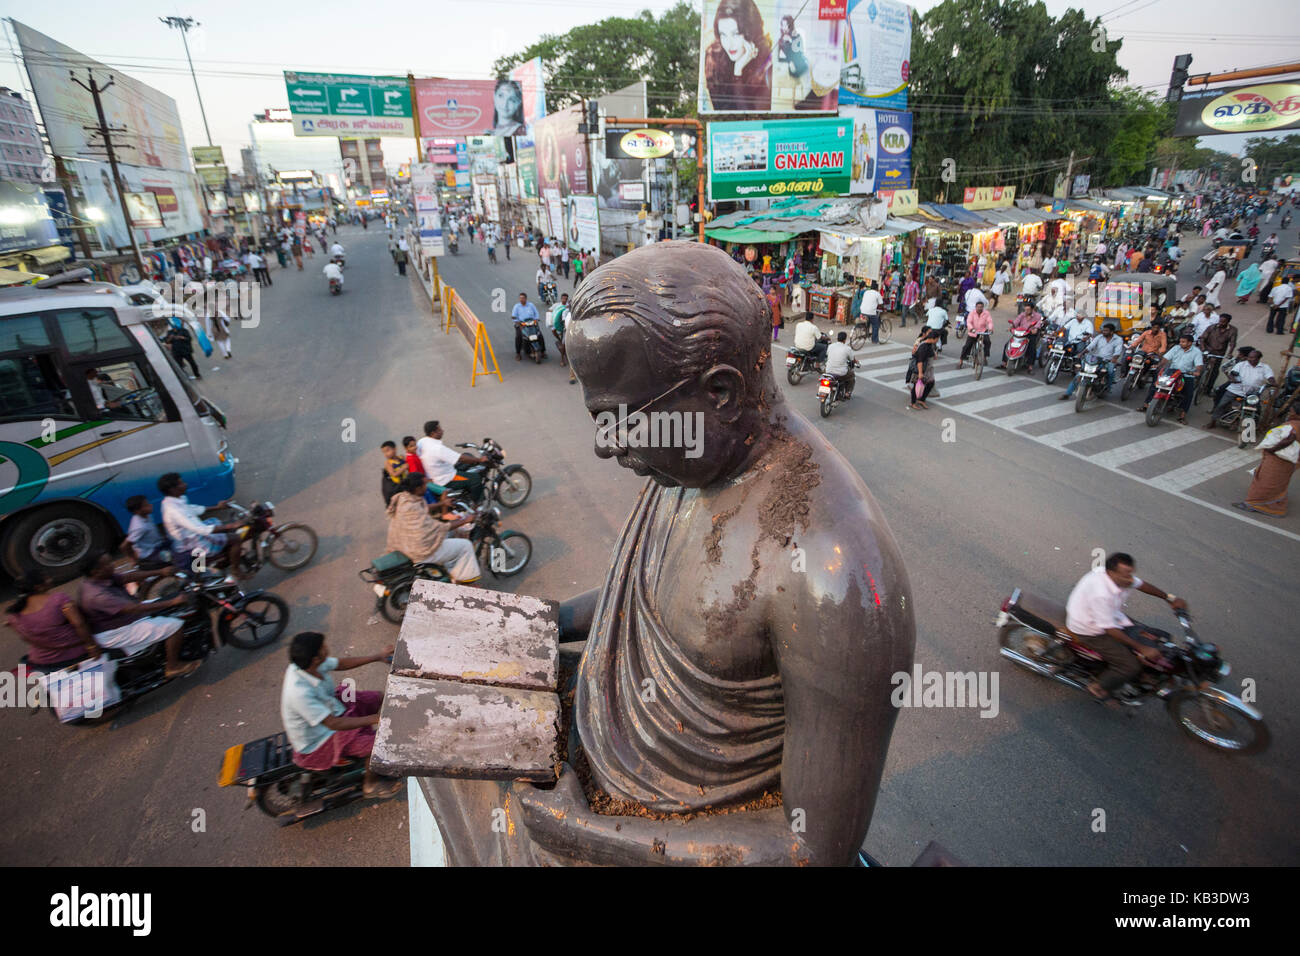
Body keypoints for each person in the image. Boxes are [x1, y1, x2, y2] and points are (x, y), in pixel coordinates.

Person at [280, 631, 402, 798]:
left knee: (376, 698)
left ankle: (366, 750)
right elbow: (333, 724)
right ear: (315, 658)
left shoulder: (309, 664)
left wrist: (377, 656)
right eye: (323, 647)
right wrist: (376, 719)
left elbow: (341, 664)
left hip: (332, 706)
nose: (326, 648)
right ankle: (370, 784)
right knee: (378, 745)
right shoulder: (299, 692)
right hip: (321, 737)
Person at [1065, 553, 1187, 704]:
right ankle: (1098, 686)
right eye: (1126, 575)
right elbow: (1110, 629)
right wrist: (1142, 648)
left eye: (1131, 573)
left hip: (1112, 617)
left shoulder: (1119, 578)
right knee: (1130, 665)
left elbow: (1141, 584)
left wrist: (1170, 599)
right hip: (1089, 629)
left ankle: (1143, 675)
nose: (1130, 579)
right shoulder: (1101, 593)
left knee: (1159, 636)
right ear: (1110, 573)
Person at [77, 551, 196, 678]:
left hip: (123, 617)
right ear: (96, 571)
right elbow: (134, 608)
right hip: (116, 630)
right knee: (174, 626)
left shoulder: (99, 578)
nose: (113, 565)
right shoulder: (96, 596)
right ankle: (173, 666)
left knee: (171, 606)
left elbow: (126, 578)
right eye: (108, 564)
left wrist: (160, 572)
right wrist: (172, 602)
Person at [386, 474, 481, 583]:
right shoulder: (414, 507)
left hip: (405, 546)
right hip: (421, 552)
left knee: (447, 538)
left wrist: (442, 503)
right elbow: (439, 528)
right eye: (425, 485)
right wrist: (465, 520)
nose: (427, 486)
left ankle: (450, 568)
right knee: (465, 545)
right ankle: (465, 582)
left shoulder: (405, 498)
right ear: (418, 489)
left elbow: (423, 507)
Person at [157, 472, 245, 578]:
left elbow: (193, 509)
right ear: (173, 489)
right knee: (235, 538)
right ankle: (236, 570)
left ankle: (226, 556)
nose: (185, 484)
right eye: (181, 483)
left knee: (216, 521)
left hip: (190, 534)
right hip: (191, 542)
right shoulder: (174, 510)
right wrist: (231, 526)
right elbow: (200, 529)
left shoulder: (175, 500)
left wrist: (217, 507)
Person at [703, 0, 772, 112]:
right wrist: (738, 71)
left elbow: (752, 116)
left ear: (751, 32)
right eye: (723, 35)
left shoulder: (766, 63)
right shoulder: (714, 57)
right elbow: (721, 113)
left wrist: (737, 74)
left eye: (736, 34)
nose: (729, 44)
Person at [1236, 408, 1300, 516]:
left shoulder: (1295, 425)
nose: (1290, 412)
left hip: (1279, 460)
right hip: (1288, 461)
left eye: (1292, 411)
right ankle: (1274, 506)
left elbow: (1290, 438)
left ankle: (1254, 504)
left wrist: (1272, 450)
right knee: (1278, 483)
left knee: (1265, 481)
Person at [1138, 333, 1203, 424]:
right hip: (1172, 372)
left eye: (1183, 342)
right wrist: (1159, 365)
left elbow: (1199, 365)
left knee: (1188, 393)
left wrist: (1197, 372)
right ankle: (1146, 405)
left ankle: (1182, 415)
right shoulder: (1176, 348)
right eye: (1180, 341)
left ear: (1190, 343)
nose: (1181, 343)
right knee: (1156, 385)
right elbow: (1166, 358)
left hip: (1186, 374)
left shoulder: (1196, 352)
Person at [1206, 350, 1276, 428]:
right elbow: (1232, 373)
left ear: (1258, 359)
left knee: (1257, 409)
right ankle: (1213, 422)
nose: (1249, 359)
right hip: (1236, 389)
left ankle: (1255, 426)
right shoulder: (1241, 365)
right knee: (1222, 404)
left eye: (1252, 357)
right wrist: (1232, 378)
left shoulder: (1265, 367)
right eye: (1249, 357)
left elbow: (1270, 377)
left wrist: (1272, 382)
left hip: (1253, 392)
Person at [416, 420, 487, 492]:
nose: (442, 431)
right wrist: (480, 460)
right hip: (445, 479)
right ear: (433, 433)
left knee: (466, 457)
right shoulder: (437, 448)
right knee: (475, 478)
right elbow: (461, 458)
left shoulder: (422, 441)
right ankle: (475, 502)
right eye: (439, 429)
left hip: (432, 475)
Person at [1060, 323, 1122, 399]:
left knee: (1110, 371)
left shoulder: (1118, 340)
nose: (1104, 332)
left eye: (1106, 331)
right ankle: (1067, 394)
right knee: (1079, 375)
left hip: (1107, 360)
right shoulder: (1099, 337)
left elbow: (1117, 351)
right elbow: (1090, 346)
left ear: (1112, 332)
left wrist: (1114, 359)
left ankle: (1108, 388)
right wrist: (1081, 353)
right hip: (1094, 358)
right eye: (1103, 330)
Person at [123, 495, 169, 567]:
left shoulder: (147, 515)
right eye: (146, 505)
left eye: (148, 503)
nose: (150, 505)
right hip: (151, 553)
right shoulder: (139, 527)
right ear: (137, 511)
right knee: (175, 558)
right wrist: (133, 559)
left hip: (158, 544)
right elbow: (125, 546)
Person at [1198, 313, 1238, 394]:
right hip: (1207, 350)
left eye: (1223, 322)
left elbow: (1232, 343)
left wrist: (1230, 353)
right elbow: (1202, 338)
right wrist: (1203, 349)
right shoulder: (1211, 327)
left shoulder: (1233, 330)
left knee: (1215, 371)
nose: (1221, 323)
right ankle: (1196, 382)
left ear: (1228, 322)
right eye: (1220, 321)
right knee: (1200, 366)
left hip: (1219, 353)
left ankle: (1208, 389)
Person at [957, 301, 993, 368]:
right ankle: (961, 361)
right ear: (976, 307)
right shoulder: (972, 313)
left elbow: (989, 321)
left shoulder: (986, 313)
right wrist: (971, 328)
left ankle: (984, 357)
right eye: (978, 307)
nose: (980, 308)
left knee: (988, 342)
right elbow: (969, 322)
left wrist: (990, 329)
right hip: (973, 332)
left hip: (983, 331)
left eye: (981, 307)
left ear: (983, 307)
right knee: (967, 346)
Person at [909, 328, 939, 409]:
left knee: (930, 383)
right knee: (916, 385)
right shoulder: (923, 347)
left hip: (928, 369)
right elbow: (920, 361)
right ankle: (913, 402)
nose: (937, 340)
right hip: (921, 369)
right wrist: (920, 373)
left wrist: (934, 354)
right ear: (933, 338)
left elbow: (932, 352)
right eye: (937, 339)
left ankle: (922, 400)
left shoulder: (929, 344)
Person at [551, 292, 576, 384]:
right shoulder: (566, 313)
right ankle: (571, 375)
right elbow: (564, 322)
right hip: (567, 332)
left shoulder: (578, 313)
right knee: (564, 345)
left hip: (578, 334)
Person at [511, 292, 545, 360]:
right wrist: (518, 323)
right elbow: (514, 316)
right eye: (520, 298)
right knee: (519, 337)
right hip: (521, 324)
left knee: (539, 335)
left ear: (526, 299)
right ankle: (518, 353)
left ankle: (543, 351)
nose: (521, 299)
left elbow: (536, 313)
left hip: (531, 323)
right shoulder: (517, 306)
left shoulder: (531, 305)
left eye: (523, 298)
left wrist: (536, 320)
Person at [824, 330, 855, 399]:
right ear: (845, 339)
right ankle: (847, 393)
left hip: (828, 370)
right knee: (852, 375)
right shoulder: (847, 348)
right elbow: (852, 359)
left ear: (837, 338)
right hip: (840, 373)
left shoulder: (830, 346)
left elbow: (827, 354)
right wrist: (857, 362)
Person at [380, 440, 407, 505]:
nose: (386, 454)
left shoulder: (401, 457)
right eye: (384, 452)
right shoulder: (388, 463)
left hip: (406, 482)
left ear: (395, 449)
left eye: (387, 451)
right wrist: (404, 468)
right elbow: (394, 474)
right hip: (398, 487)